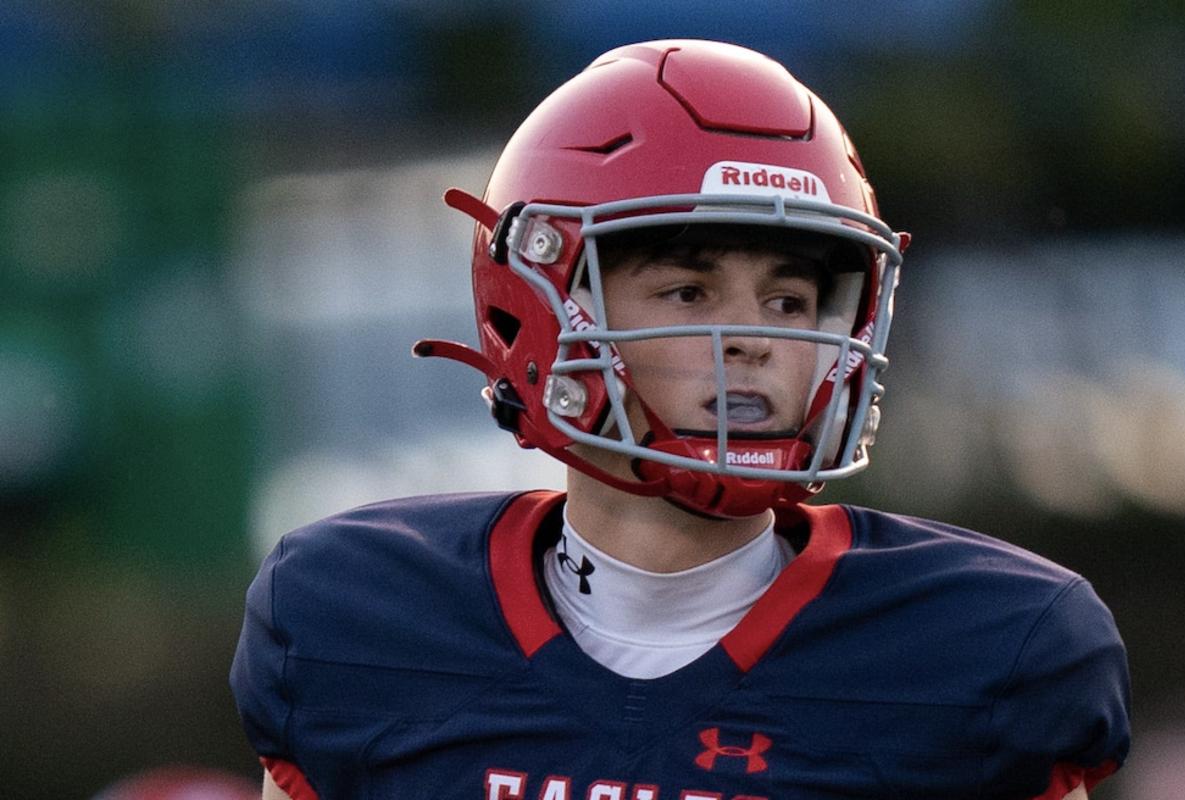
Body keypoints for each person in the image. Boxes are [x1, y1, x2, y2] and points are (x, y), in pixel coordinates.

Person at [230, 40, 1130, 800]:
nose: (751, 342)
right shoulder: (358, 620)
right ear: (542, 307)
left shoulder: (984, 651)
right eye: (689, 290)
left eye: (787, 301)